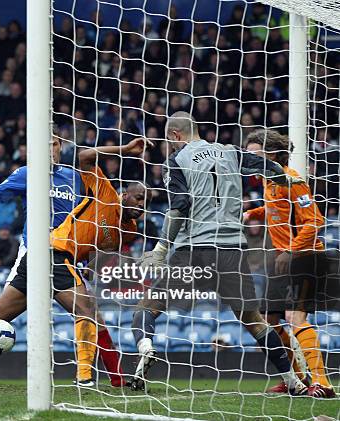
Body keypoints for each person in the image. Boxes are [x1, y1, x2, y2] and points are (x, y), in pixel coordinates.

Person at [0, 138, 147, 386]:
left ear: (60, 147)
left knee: (85, 313)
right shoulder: (28, 174)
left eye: (55, 144)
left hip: (66, 255)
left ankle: (115, 379)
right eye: (45, 144)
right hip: (36, 248)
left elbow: (91, 226)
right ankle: (90, 378)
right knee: (4, 317)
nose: (51, 149)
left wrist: (89, 263)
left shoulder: (74, 178)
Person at [131, 112, 308, 395]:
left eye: (169, 140)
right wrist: (284, 179)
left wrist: (162, 247)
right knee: (253, 320)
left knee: (147, 307)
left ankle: (146, 348)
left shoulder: (176, 160)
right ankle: (293, 380)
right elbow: (265, 165)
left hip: (194, 250)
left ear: (175, 135)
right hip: (232, 250)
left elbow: (179, 206)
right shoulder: (230, 152)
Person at [245, 129, 335, 398]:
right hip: (282, 258)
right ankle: (296, 378)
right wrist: (253, 212)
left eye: (253, 155)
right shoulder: (267, 181)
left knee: (294, 317)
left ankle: (323, 382)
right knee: (268, 320)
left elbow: (316, 221)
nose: (248, 160)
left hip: (305, 256)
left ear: (270, 154)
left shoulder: (292, 180)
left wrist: (291, 251)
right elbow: (279, 208)